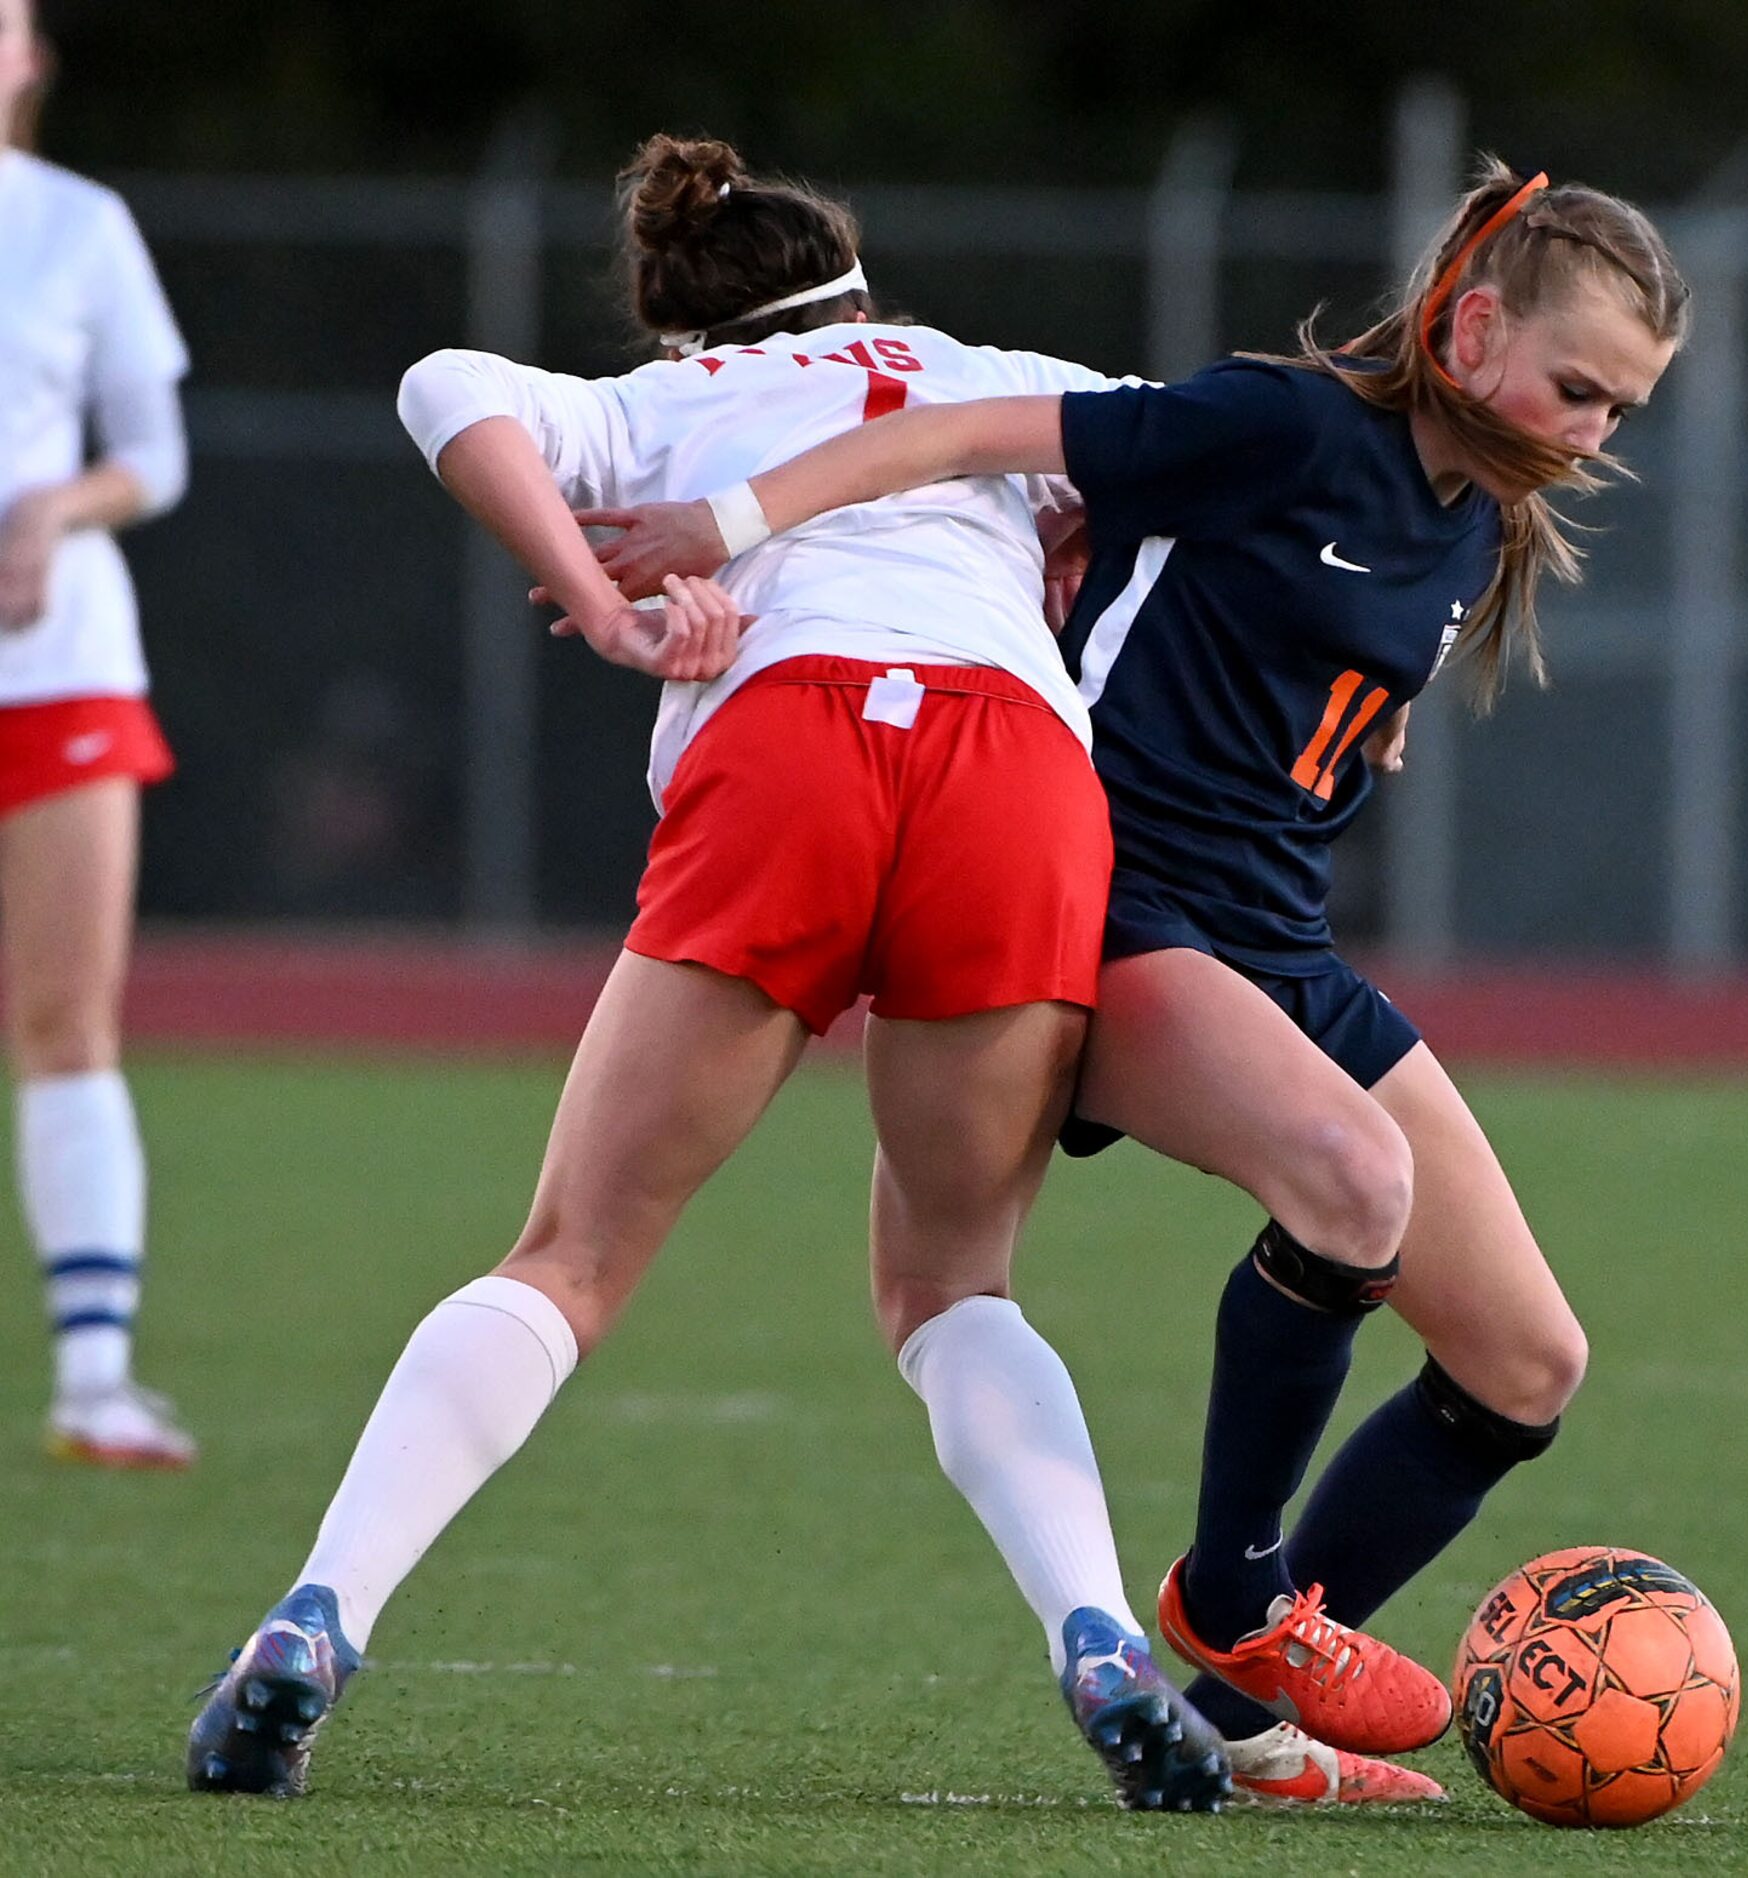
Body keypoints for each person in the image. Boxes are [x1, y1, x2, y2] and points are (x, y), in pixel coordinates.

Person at [576, 157, 1689, 1807]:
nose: (1598, 430)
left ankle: (1234, 1721)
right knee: (1349, 1177)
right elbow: (961, 435)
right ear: (1465, 331)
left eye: (1626, 406)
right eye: (1580, 386)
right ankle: (1238, 1598)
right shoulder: (1288, 426)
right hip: (1109, 904)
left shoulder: (1477, 517)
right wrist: (727, 524)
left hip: (1277, 938)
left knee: (1528, 1361)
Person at [185, 135, 1229, 1813]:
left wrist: (606, 605)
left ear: (688, 330)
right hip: (1014, 768)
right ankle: (1098, 1629)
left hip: (797, 732)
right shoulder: (1001, 376)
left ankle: (317, 1618)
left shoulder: (676, 402)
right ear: (861, 287)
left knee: (573, 1256)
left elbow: (443, 385)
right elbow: (1225, 458)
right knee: (958, 1284)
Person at [0, 0, 194, 1468]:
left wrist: (55, 507)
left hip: (55, 661)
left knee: (68, 1015)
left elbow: (155, 453)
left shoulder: (77, 223)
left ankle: (93, 1377)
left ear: (34, 58)